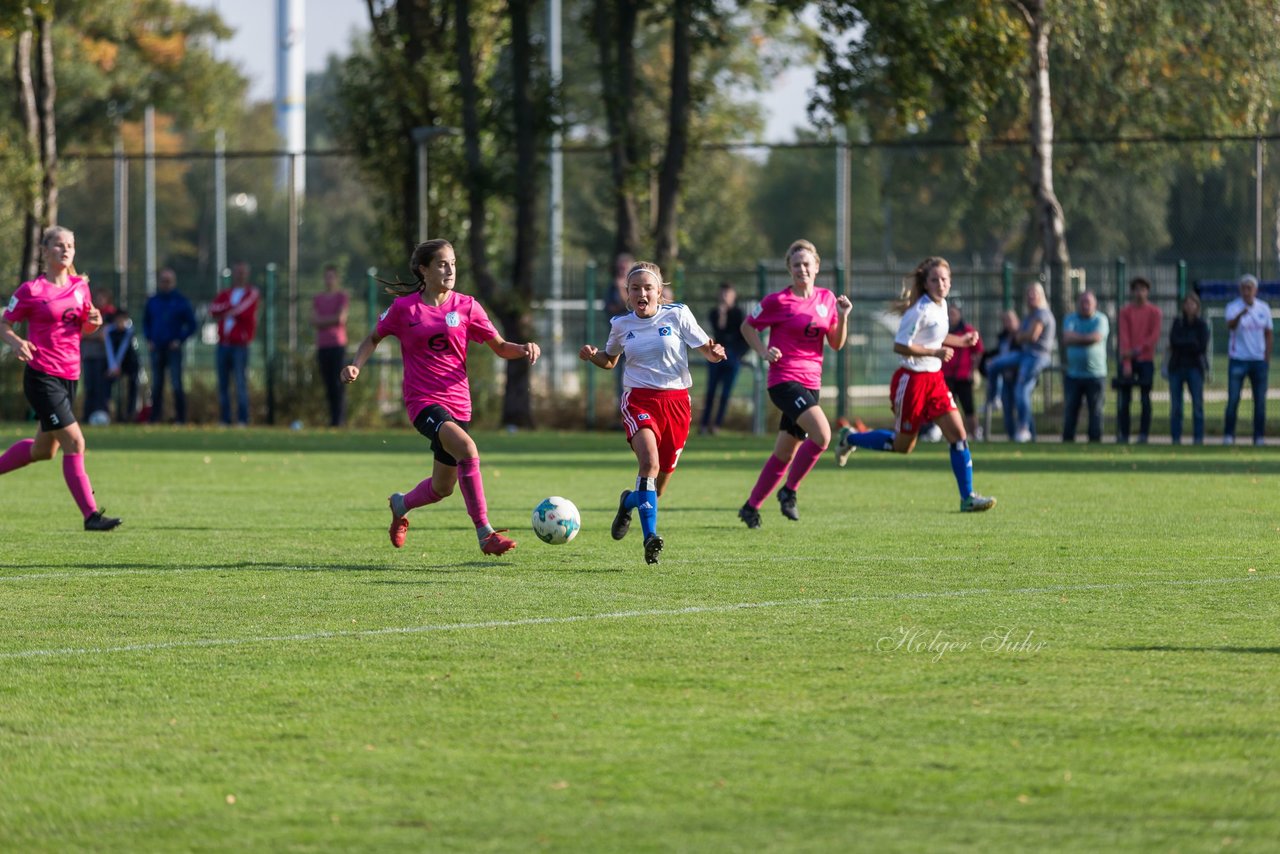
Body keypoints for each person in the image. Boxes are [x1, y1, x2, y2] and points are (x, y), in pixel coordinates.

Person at [342, 239, 540, 556]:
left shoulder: (467, 306)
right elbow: (372, 338)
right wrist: (355, 365)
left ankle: (400, 504)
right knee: (468, 449)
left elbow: (500, 346)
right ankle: (485, 533)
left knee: (442, 487)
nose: (450, 270)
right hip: (423, 402)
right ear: (424, 269)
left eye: (453, 264)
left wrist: (524, 348)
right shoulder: (405, 309)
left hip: (459, 404)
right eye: (442, 264)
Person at [579, 261, 725, 564]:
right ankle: (650, 538)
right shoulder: (621, 324)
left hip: (677, 404)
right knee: (649, 463)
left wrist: (715, 352)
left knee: (655, 491)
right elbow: (610, 361)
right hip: (639, 401)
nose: (642, 293)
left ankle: (628, 502)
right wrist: (594, 356)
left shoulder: (678, 314)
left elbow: (706, 347)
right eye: (635, 289)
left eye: (648, 288)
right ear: (628, 294)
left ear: (659, 291)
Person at [833, 257, 996, 513]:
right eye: (934, 279)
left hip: (935, 381)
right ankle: (849, 437)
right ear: (926, 283)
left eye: (944, 279)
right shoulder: (919, 309)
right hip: (911, 381)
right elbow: (900, 345)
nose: (940, 283)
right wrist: (934, 353)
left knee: (959, 436)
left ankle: (967, 498)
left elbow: (937, 336)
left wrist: (962, 342)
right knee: (903, 446)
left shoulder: (941, 305)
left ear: (950, 282)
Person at [0, 226, 122, 531]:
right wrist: (17, 343)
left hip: (70, 375)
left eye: (70, 245)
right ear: (44, 251)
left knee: (43, 451)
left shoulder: (81, 287)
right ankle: (91, 516)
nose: (65, 250)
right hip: (42, 376)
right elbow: (4, 325)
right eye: (58, 245)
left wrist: (94, 322)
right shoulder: (31, 291)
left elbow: (85, 328)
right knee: (75, 442)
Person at [737, 239, 852, 527]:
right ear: (789, 269)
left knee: (785, 453)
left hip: (811, 383)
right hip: (784, 381)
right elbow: (747, 326)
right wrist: (764, 352)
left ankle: (751, 507)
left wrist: (842, 315)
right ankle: (789, 492)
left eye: (806, 263)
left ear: (816, 267)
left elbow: (836, 343)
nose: (802, 268)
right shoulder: (778, 301)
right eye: (796, 264)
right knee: (823, 436)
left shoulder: (827, 299)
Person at [984, 283, 1055, 441]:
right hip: (1024, 353)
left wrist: (1021, 336)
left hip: (1036, 355)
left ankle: (1024, 428)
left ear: (1041, 295)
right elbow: (1020, 336)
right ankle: (994, 398)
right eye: (1029, 294)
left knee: (1021, 391)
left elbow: (1031, 336)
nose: (1031, 297)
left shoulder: (1042, 314)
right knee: (993, 364)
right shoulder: (1030, 315)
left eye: (1034, 293)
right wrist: (1022, 335)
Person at [1222, 273, 1273, 446]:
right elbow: (1230, 326)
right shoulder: (1233, 307)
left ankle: (1258, 437)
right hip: (1238, 359)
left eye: (1249, 288)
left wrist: (1266, 357)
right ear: (1240, 290)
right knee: (1233, 399)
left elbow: (1268, 333)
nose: (1246, 291)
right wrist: (1241, 314)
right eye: (1243, 288)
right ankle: (1229, 435)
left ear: (1255, 290)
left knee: (1259, 401)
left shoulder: (1264, 308)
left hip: (1258, 361)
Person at [143, 267, 196, 424]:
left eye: (168, 281)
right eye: (163, 281)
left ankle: (181, 418)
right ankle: (155, 418)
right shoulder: (153, 301)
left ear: (174, 282)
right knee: (157, 384)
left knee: (176, 384)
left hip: (174, 349)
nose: (165, 284)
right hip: (157, 348)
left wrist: (179, 339)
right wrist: (149, 339)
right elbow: (146, 322)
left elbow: (192, 325)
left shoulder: (181, 301)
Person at [209, 261, 260, 426]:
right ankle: (224, 419)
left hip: (240, 346)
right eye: (238, 272)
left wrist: (226, 310)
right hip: (223, 344)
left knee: (240, 383)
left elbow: (243, 311)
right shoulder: (226, 293)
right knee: (223, 384)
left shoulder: (251, 293)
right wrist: (228, 309)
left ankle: (242, 419)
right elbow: (213, 309)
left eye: (243, 272)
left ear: (247, 274)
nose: (240, 275)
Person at [1115, 276, 1162, 444]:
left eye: (1143, 289)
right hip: (1128, 360)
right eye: (1136, 289)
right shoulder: (1125, 312)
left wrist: (1137, 351)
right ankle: (1124, 434)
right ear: (1132, 291)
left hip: (1146, 360)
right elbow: (1124, 337)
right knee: (1124, 400)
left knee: (1145, 399)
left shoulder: (1155, 312)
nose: (1140, 293)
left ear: (1147, 291)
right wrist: (1127, 362)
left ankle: (1143, 435)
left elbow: (1153, 337)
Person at [1060, 290, 1109, 443]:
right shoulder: (1070, 319)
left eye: (1088, 302)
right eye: (1082, 302)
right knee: (1071, 410)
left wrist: (1078, 338)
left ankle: (1095, 441)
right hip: (1073, 375)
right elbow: (1066, 338)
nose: (1085, 305)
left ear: (1095, 304)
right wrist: (1085, 339)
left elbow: (1095, 338)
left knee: (1096, 410)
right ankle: (1068, 440)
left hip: (1096, 375)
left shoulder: (1101, 319)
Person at [699, 281, 747, 434]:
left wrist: (738, 355)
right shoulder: (715, 313)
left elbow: (744, 337)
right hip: (716, 357)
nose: (724, 297)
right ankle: (704, 424)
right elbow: (718, 333)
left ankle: (716, 425)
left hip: (733, 357)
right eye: (722, 294)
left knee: (725, 393)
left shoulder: (739, 313)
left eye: (727, 294)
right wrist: (722, 316)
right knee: (711, 391)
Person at [1167, 290, 1210, 445]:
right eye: (1187, 303)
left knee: (1197, 406)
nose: (1189, 307)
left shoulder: (1202, 325)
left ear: (1197, 306)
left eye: (1193, 304)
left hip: (1195, 369)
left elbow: (1201, 346)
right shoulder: (1177, 323)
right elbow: (1174, 342)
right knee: (1176, 406)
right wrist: (1190, 343)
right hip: (1177, 367)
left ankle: (1198, 438)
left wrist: (1185, 343)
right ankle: (1176, 438)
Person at [311, 264, 350, 427]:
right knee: (327, 384)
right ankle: (332, 420)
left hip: (337, 345)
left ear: (336, 279)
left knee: (338, 384)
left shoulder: (342, 296)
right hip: (322, 346)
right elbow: (313, 320)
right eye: (326, 276)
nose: (329, 280)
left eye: (331, 276)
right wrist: (329, 320)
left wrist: (323, 321)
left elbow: (340, 318)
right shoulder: (318, 298)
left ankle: (339, 420)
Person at [941, 300, 983, 440]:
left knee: (969, 408)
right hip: (946, 375)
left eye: (954, 313)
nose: (951, 316)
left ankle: (975, 433)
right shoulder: (942, 331)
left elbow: (978, 352)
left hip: (963, 375)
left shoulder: (968, 331)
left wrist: (973, 370)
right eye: (949, 313)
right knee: (947, 408)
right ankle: (949, 434)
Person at [977, 309, 1019, 440]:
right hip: (1006, 377)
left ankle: (1028, 436)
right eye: (1005, 321)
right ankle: (1012, 437)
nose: (1007, 324)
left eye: (1010, 320)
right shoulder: (1003, 337)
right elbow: (999, 353)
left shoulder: (1020, 335)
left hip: (1018, 377)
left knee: (1022, 408)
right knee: (1007, 410)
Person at [80, 288, 116, 422]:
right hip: (89, 356)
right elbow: (83, 333)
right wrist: (95, 335)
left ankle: (103, 414)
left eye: (103, 297)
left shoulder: (111, 315)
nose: (100, 300)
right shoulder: (89, 314)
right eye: (98, 297)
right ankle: (87, 416)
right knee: (90, 387)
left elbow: (107, 335)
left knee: (102, 389)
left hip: (103, 358)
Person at [105, 308, 140, 423]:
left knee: (133, 385)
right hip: (114, 365)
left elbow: (123, 349)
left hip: (130, 363)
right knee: (106, 385)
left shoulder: (129, 332)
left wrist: (116, 366)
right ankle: (108, 413)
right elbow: (109, 350)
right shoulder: (109, 332)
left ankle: (131, 414)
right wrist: (113, 367)